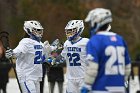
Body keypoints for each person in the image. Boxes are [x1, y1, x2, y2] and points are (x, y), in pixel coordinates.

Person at [80, 8, 131, 93]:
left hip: (101, 88)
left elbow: (92, 68)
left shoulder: (95, 40)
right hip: (119, 88)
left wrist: (86, 85)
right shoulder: (120, 39)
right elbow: (127, 67)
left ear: (97, 22)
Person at [5, 20, 57, 93]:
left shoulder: (39, 43)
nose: (40, 32)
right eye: (37, 30)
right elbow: (18, 51)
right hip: (27, 76)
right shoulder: (26, 42)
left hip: (36, 76)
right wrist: (12, 52)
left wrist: (54, 48)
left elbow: (45, 52)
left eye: (40, 30)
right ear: (29, 30)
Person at [60, 20, 89, 93]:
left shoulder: (86, 42)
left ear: (79, 29)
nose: (69, 33)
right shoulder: (67, 43)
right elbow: (62, 57)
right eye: (68, 31)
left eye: (72, 31)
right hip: (70, 79)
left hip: (83, 78)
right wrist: (51, 59)